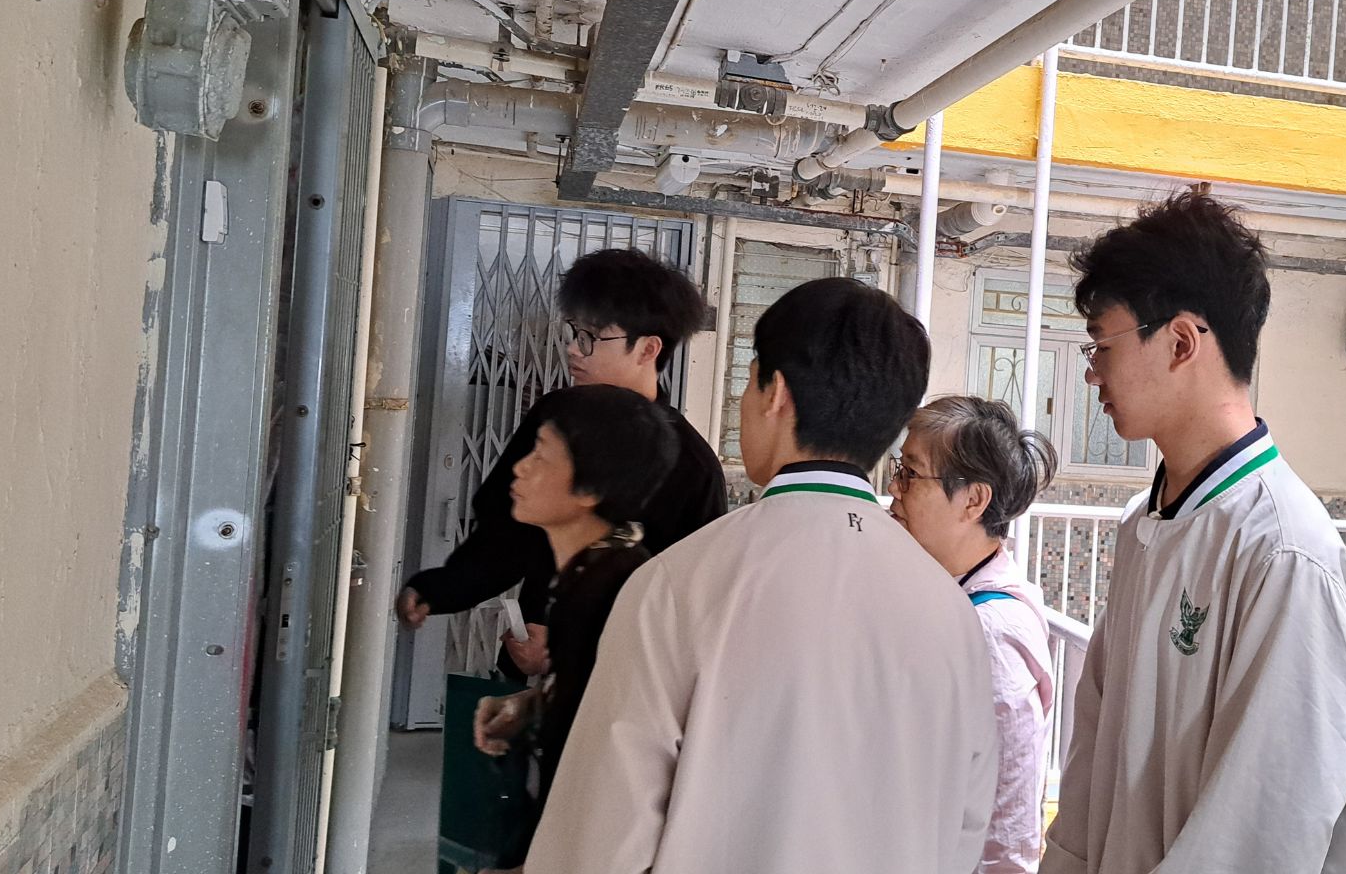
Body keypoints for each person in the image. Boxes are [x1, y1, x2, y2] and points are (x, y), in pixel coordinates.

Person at [525, 278, 998, 874]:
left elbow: (599, 840)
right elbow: (966, 826)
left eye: (749, 383)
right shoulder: (952, 611)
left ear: (775, 394)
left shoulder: (679, 583)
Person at [1042, 192, 1346, 874]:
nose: (1091, 371)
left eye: (1102, 345)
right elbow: (1096, 755)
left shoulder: (1282, 550)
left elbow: (1263, 830)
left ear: (1180, 342)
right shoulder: (1146, 524)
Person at [396, 248, 727, 677]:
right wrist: (442, 589)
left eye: (591, 337)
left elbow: (687, 603)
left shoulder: (693, 468)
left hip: (617, 682)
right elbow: (505, 531)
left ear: (648, 349)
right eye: (574, 332)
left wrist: (574, 650)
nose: (573, 349)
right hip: (528, 663)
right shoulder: (555, 417)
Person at [468, 385, 677, 857]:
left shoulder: (611, 589)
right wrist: (534, 705)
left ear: (590, 490)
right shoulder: (591, 570)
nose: (520, 467)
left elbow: (618, 754)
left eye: (541, 456)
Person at [889, 395, 1058, 874]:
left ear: (974, 500)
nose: (894, 488)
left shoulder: (991, 631)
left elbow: (1010, 812)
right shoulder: (946, 592)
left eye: (911, 474)